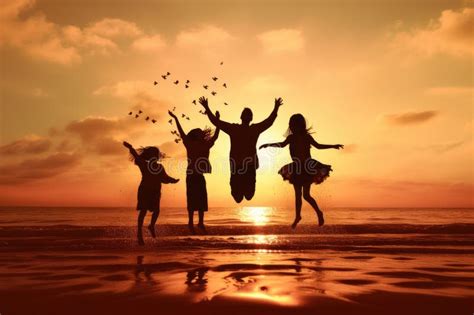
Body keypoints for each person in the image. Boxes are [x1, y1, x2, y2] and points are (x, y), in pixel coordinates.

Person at [259, 114, 343, 228]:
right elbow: (282, 145)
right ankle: (298, 216)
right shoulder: (291, 138)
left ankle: (318, 212)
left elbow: (318, 146)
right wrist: (268, 145)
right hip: (297, 168)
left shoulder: (307, 137)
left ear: (299, 125)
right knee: (298, 195)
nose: (290, 126)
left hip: (307, 167)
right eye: (290, 124)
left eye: (292, 124)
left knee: (306, 195)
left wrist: (333, 146)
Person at [198, 96, 283, 203]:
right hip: (240, 167)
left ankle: (243, 190)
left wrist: (207, 107)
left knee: (246, 196)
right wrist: (276, 108)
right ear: (247, 118)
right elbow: (269, 122)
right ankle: (242, 190)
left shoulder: (242, 129)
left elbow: (216, 122)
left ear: (242, 117)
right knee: (241, 197)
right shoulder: (243, 129)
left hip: (245, 167)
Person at [168, 110, 220, 233]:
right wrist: (175, 118)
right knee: (192, 199)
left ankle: (200, 223)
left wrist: (217, 122)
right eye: (200, 133)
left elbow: (216, 137)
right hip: (192, 175)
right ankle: (191, 222)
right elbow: (181, 132)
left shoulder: (204, 144)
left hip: (197, 175)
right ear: (196, 135)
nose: (202, 133)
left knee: (201, 199)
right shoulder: (190, 143)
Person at [123, 141, 179, 245]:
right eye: (153, 155)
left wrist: (172, 180)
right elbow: (135, 155)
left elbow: (164, 178)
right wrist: (130, 147)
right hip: (145, 190)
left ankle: (151, 225)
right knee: (143, 211)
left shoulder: (160, 167)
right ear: (149, 156)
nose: (156, 156)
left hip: (155, 191)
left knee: (157, 211)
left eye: (156, 155)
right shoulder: (144, 164)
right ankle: (139, 234)